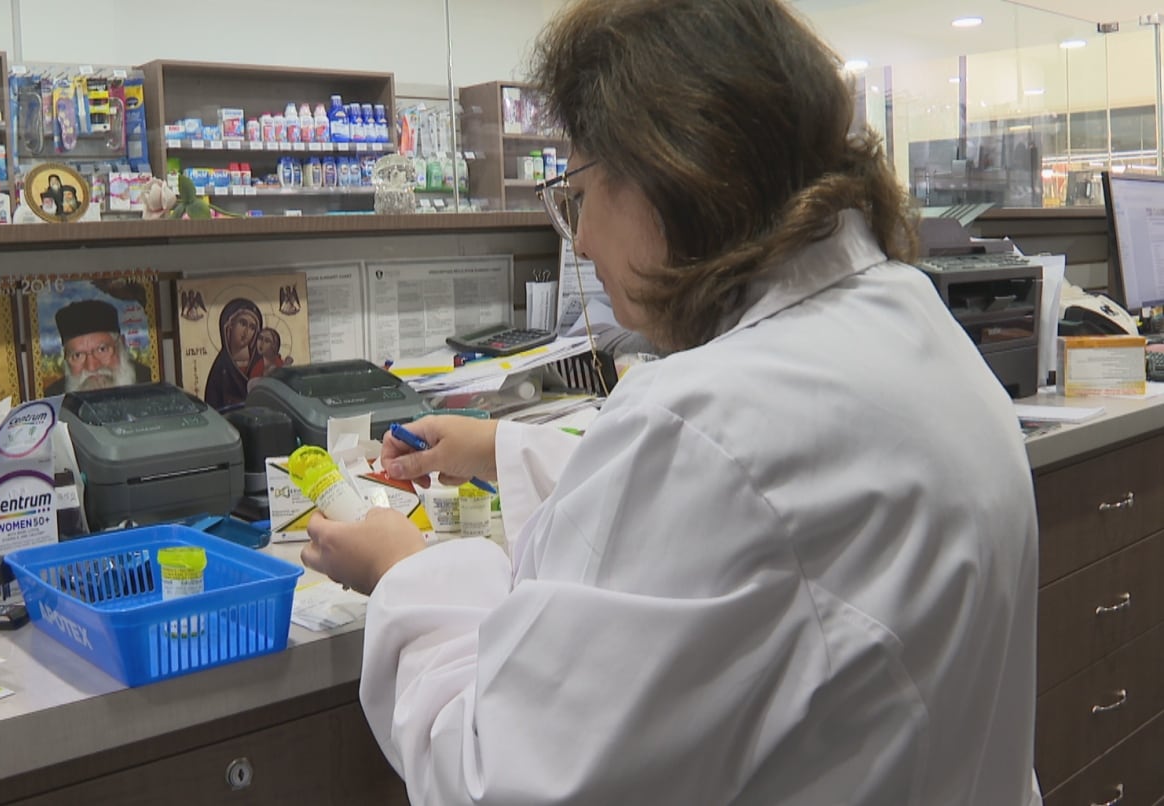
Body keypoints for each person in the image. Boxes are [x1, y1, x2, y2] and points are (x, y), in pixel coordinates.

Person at [300, 1, 1042, 803]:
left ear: (669, 167)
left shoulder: (709, 426)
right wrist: (497, 448)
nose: (578, 241)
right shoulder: (903, 319)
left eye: (579, 190)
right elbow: (738, 528)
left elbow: (499, 777)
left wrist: (417, 572)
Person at [44, 299, 153, 395]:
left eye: (102, 349)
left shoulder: (152, 383)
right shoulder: (52, 401)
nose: (92, 367)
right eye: (77, 355)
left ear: (122, 344)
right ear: (65, 358)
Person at [203, 297, 262, 410]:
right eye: (242, 323)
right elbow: (212, 405)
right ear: (230, 325)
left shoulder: (260, 364)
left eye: (252, 327)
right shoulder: (220, 367)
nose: (246, 332)